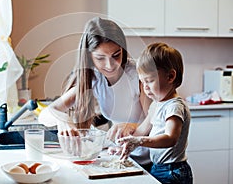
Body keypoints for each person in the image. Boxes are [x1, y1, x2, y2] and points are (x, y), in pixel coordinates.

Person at [38, 17, 152, 170]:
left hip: (147, 161)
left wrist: (131, 126)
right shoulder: (94, 78)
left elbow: (156, 121)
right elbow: (46, 114)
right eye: (100, 58)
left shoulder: (138, 75)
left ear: (123, 50)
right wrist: (63, 120)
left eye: (116, 55)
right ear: (89, 57)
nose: (110, 65)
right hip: (121, 157)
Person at [116, 42, 193, 184]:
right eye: (142, 82)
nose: (145, 87)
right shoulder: (157, 105)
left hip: (173, 171)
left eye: (149, 81)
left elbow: (170, 138)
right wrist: (122, 145)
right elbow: (141, 131)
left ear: (170, 77)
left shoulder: (174, 106)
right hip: (158, 167)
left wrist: (141, 142)